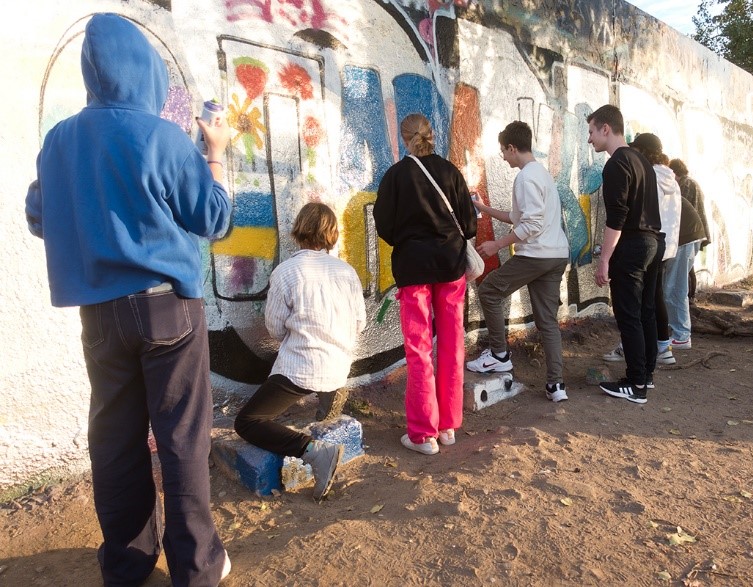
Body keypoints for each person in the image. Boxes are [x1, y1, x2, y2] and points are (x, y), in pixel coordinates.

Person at [24, 13, 232, 585]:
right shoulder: (162, 136)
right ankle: (196, 568)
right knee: (182, 441)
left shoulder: (59, 139)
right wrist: (214, 154)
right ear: (146, 71)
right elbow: (213, 218)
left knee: (114, 442)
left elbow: (40, 218)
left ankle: (127, 564)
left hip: (99, 316)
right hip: (167, 308)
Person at [234, 203, 364, 499]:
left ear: (299, 231)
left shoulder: (286, 272)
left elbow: (275, 329)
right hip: (339, 366)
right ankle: (327, 414)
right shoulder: (347, 271)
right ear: (332, 234)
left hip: (301, 370)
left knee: (248, 422)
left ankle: (314, 451)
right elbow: (360, 323)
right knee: (323, 384)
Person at [373, 113, 477, 455]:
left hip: (413, 267)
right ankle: (447, 427)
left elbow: (385, 227)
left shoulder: (395, 176)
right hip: (450, 267)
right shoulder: (450, 172)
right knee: (452, 344)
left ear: (404, 139)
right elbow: (469, 223)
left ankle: (422, 434)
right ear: (432, 136)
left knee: (419, 350)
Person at [466, 121, 570, 403]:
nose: (502, 156)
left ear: (513, 148)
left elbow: (532, 224)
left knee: (488, 290)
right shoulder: (541, 174)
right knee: (547, 321)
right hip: (555, 255)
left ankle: (499, 355)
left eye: (503, 151)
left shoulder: (525, 177)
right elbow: (518, 217)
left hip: (536, 255)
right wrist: (483, 209)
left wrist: (498, 244)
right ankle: (556, 385)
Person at [587, 105, 662, 404]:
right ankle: (646, 376)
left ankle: (635, 384)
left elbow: (616, 217)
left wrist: (604, 259)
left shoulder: (616, 164)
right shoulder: (642, 160)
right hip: (653, 243)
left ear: (606, 128)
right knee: (645, 312)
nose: (590, 139)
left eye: (592, 132)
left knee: (628, 314)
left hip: (631, 246)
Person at [603, 134, 679, 366]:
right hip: (664, 243)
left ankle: (636, 359)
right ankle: (661, 349)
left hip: (643, 242)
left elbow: (634, 210)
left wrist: (607, 254)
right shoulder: (671, 178)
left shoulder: (647, 174)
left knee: (634, 307)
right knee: (653, 300)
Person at [668, 158, 711, 302]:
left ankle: (690, 296)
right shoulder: (692, 182)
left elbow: (680, 206)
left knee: (686, 267)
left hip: (689, 230)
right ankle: (691, 296)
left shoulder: (685, 184)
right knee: (689, 265)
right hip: (697, 230)